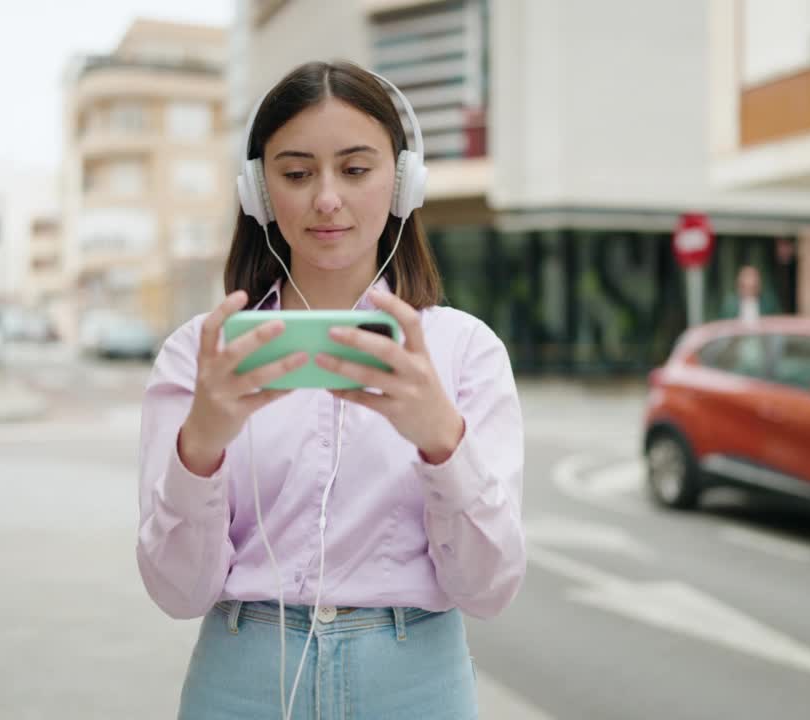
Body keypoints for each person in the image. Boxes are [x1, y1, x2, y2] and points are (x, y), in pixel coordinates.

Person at [137, 60, 525, 719]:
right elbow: (178, 594)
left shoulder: (465, 353)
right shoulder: (200, 354)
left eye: (355, 169)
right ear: (259, 194)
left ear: (403, 184)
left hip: (415, 681)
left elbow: (488, 591)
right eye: (295, 173)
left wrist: (441, 439)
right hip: (242, 678)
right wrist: (199, 446)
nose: (325, 198)